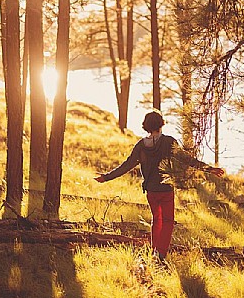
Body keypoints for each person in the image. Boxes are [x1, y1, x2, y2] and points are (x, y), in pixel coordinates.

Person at [94, 111, 224, 262]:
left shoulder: (141, 146)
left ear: (146, 126)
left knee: (157, 220)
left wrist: (106, 177)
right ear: (161, 124)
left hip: (151, 190)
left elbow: (126, 166)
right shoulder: (169, 142)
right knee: (168, 221)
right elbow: (187, 159)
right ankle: (160, 255)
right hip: (166, 189)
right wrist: (209, 169)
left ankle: (155, 250)